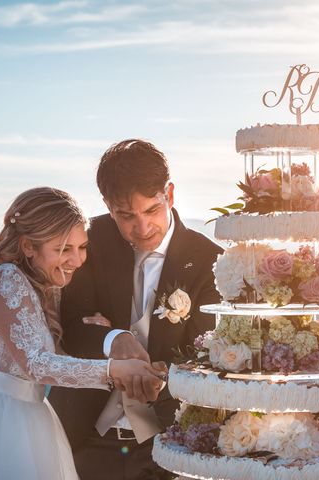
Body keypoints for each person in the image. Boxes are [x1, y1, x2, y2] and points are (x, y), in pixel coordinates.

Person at [0, 187, 165, 480]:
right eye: (63, 249)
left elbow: (43, 349)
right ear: (29, 246)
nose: (78, 260)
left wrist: (92, 332)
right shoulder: (8, 279)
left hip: (30, 414)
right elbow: (35, 364)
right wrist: (113, 370)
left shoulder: (42, 283)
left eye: (82, 247)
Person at [48, 140, 223, 480]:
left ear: (169, 195)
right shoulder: (88, 241)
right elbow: (70, 327)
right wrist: (113, 338)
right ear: (107, 205)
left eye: (151, 211)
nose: (141, 228)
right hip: (82, 437)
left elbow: (207, 352)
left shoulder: (210, 262)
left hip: (168, 443)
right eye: (125, 216)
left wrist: (158, 377)